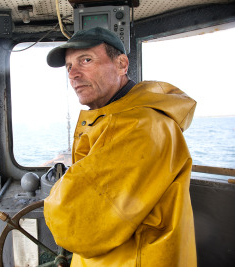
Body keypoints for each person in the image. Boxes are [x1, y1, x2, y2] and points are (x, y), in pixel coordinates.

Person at [43, 27, 197, 266]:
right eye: (69, 66)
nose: (73, 74)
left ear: (122, 64)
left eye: (86, 60)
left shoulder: (140, 126)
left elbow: (75, 223)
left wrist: (57, 195)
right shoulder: (115, 118)